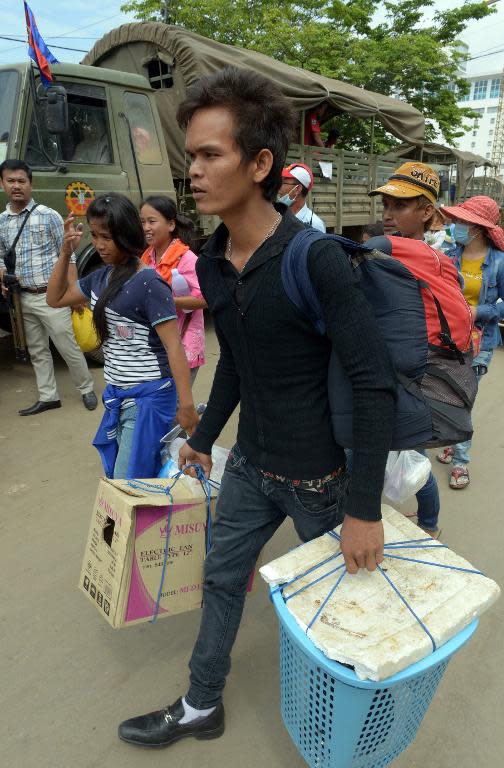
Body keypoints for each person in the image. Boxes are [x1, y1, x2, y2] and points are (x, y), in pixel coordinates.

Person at [117, 66, 396, 749]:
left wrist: (362, 509)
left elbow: (374, 384)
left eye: (212, 154)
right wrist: (206, 435)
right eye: (193, 156)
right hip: (250, 467)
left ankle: (361, 721)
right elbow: (236, 359)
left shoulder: (317, 259)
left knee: (343, 608)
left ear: (261, 162)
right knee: (220, 578)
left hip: (321, 482)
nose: (195, 172)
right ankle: (200, 705)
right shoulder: (212, 262)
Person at [46, 192, 199, 480]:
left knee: (126, 483)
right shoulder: (99, 278)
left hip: (149, 400)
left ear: (126, 234)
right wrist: (66, 252)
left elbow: (174, 347)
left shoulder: (149, 283)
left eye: (107, 237)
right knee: (134, 480)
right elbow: (55, 298)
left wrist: (187, 407)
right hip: (118, 395)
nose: (99, 245)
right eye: (95, 235)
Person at [369, 161, 445, 537]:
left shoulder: (410, 255)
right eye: (385, 205)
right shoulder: (416, 253)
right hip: (394, 369)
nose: (388, 214)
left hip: (409, 375)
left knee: (412, 457)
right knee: (403, 453)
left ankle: (428, 523)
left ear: (426, 211)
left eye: (399, 206)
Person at [0, 159, 97, 415]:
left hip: (51, 297)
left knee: (67, 346)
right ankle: (48, 396)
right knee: (38, 350)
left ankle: (86, 389)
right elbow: (0, 256)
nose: (17, 186)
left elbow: (68, 255)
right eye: (11, 181)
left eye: (22, 181)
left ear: (31, 185)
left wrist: (74, 291)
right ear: (2, 184)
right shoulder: (1, 222)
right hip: (23, 298)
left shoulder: (49, 215)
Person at [436, 195, 504, 489]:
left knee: (464, 400)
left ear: (478, 228)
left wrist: (478, 311)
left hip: (479, 345)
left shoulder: (501, 263)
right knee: (445, 395)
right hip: (448, 341)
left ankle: (460, 462)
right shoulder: (448, 254)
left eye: (461, 221)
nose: (455, 225)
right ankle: (450, 441)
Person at [139, 196, 206, 386]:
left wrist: (167, 301)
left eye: (152, 221)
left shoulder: (186, 258)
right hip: (159, 344)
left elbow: (206, 298)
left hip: (185, 342)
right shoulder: (147, 257)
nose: (146, 228)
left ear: (170, 225)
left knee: (176, 405)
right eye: (143, 221)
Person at [277, 163, 326, 232]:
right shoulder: (278, 217)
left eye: (283, 183)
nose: (278, 187)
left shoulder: (315, 225)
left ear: (297, 189)